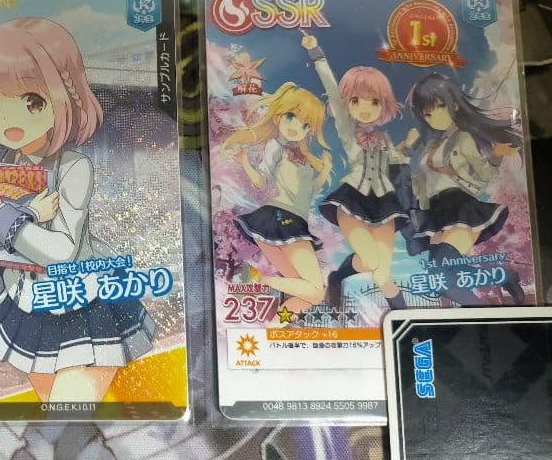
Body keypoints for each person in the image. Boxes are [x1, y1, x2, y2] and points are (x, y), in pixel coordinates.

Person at [0, 17, 154, 404]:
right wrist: (29, 214)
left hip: (87, 303)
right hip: (28, 305)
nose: (11, 121)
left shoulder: (74, 167)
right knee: (56, 414)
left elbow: (61, 249)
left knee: (70, 411)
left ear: (67, 98)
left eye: (32, 102)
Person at [301, 33, 410, 310]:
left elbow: (397, 162)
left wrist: (407, 147)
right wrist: (317, 54)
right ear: (347, 102)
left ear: (384, 104)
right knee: (371, 261)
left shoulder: (384, 139)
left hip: (385, 203)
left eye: (374, 102)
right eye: (356, 101)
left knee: (382, 274)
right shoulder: (348, 130)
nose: (365, 109)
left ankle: (408, 320)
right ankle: (338, 277)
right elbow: (332, 91)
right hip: (352, 199)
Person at [402, 72, 525, 305]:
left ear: (455, 105)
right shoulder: (430, 145)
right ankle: (503, 277)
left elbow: (482, 176)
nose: (435, 117)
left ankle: (486, 315)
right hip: (436, 213)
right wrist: (406, 153)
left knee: (442, 276)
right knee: (439, 279)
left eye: (440, 107)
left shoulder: (464, 138)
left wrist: (495, 156)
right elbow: (419, 185)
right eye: (427, 114)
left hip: (460, 207)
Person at [222, 82, 332, 314]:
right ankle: (258, 279)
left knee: (306, 296)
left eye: (305, 125)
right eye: (291, 116)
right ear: (279, 115)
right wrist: (245, 164)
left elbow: (310, 190)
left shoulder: (302, 158)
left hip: (291, 222)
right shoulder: (275, 146)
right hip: (282, 219)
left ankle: (275, 328)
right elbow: (262, 180)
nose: (296, 127)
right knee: (317, 292)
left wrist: (324, 171)